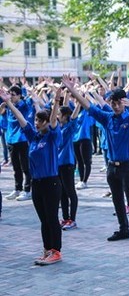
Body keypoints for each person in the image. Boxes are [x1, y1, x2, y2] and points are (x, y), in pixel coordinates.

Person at [62, 75, 129, 244]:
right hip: (112, 167)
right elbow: (87, 105)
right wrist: (72, 89)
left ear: (124, 102)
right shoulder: (106, 117)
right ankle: (123, 229)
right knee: (117, 199)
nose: (116, 106)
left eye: (119, 103)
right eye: (113, 103)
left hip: (128, 166)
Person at [0, 87, 62, 265]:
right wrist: (9, 103)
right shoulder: (33, 138)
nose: (36, 123)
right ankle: (47, 249)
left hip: (52, 183)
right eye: (36, 119)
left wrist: (56, 102)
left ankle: (56, 251)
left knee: (51, 218)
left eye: (40, 121)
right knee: (43, 220)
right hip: (37, 184)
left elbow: (53, 123)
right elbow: (21, 120)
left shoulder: (52, 137)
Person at [2, 85, 33, 201]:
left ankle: (27, 190)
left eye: (13, 95)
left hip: (22, 139)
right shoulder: (8, 105)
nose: (11, 97)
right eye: (10, 95)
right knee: (16, 167)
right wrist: (4, 103)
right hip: (11, 139)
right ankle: (17, 188)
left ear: (19, 95)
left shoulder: (24, 105)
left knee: (25, 166)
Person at [58, 104, 81, 230]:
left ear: (65, 116)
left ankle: (72, 219)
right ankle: (65, 218)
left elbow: (74, 118)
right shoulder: (58, 128)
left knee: (70, 191)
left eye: (59, 114)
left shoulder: (69, 127)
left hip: (67, 163)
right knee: (62, 193)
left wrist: (78, 101)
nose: (57, 116)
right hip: (58, 164)